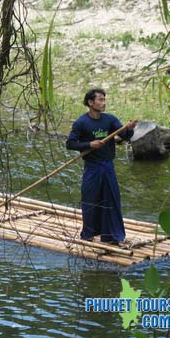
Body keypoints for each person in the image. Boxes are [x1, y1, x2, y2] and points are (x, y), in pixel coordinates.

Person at [66, 88, 137, 245]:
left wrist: (129, 129)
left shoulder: (110, 120)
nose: (103, 103)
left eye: (104, 100)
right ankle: (89, 234)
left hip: (107, 166)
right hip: (92, 167)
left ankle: (112, 236)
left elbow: (125, 136)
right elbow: (70, 144)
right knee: (90, 199)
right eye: (100, 100)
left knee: (111, 199)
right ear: (90, 103)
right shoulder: (81, 122)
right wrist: (89, 144)